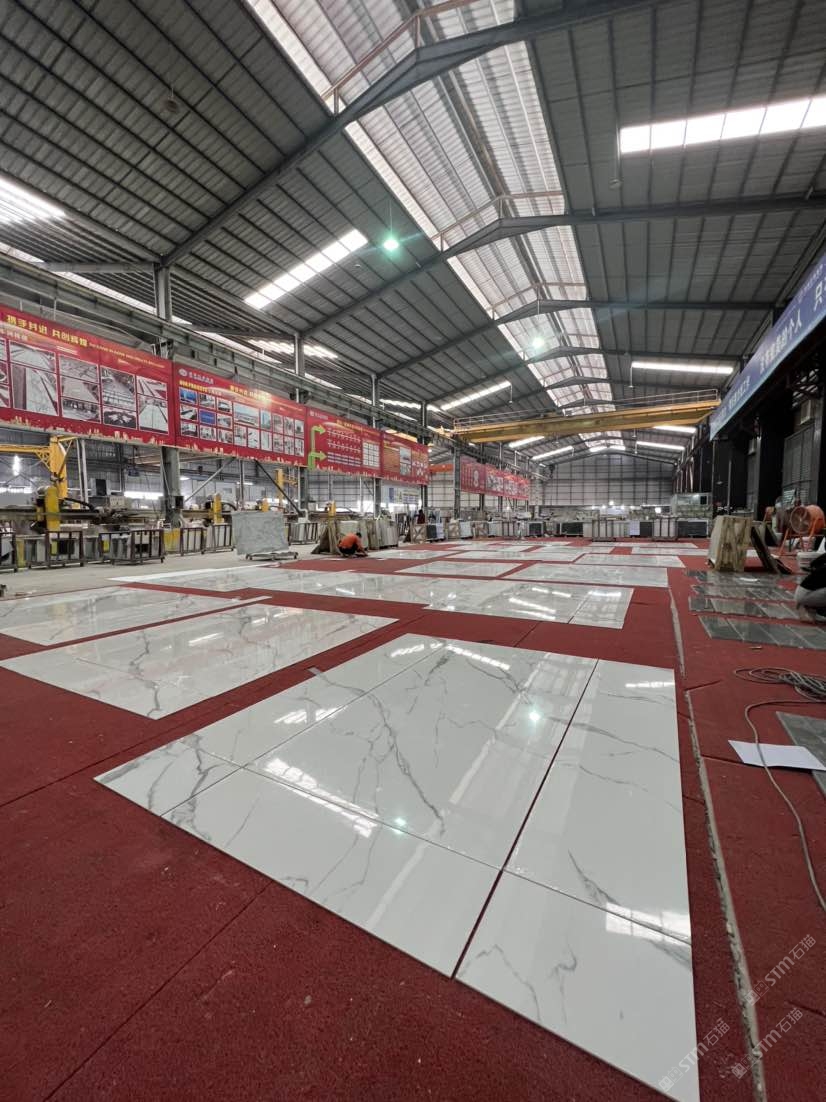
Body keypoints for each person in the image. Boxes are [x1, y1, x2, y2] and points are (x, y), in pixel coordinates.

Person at [795, 551, 826, 622]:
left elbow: (813, 564)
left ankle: (812, 606)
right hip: (806, 595)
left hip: (804, 592)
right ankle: (811, 607)